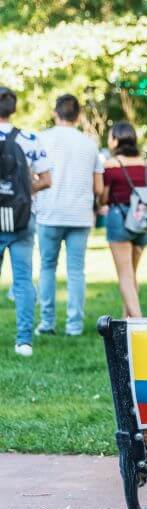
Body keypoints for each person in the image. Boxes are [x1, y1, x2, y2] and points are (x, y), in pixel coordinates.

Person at [34, 94, 103, 338]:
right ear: (78, 116)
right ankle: (74, 326)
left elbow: (34, 175)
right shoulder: (90, 144)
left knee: (47, 268)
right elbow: (98, 188)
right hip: (79, 215)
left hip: (49, 213)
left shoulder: (41, 139)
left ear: (55, 112)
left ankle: (47, 322)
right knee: (76, 271)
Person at [0, 85, 52, 357]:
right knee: (22, 281)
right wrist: (21, 192)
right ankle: (23, 342)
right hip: (22, 219)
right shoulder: (31, 138)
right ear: (14, 109)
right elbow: (46, 180)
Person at [101, 121, 147, 318]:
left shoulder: (111, 165)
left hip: (120, 219)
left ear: (115, 140)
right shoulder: (146, 165)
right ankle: (126, 320)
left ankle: (138, 322)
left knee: (125, 274)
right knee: (132, 273)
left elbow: (104, 197)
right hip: (142, 221)